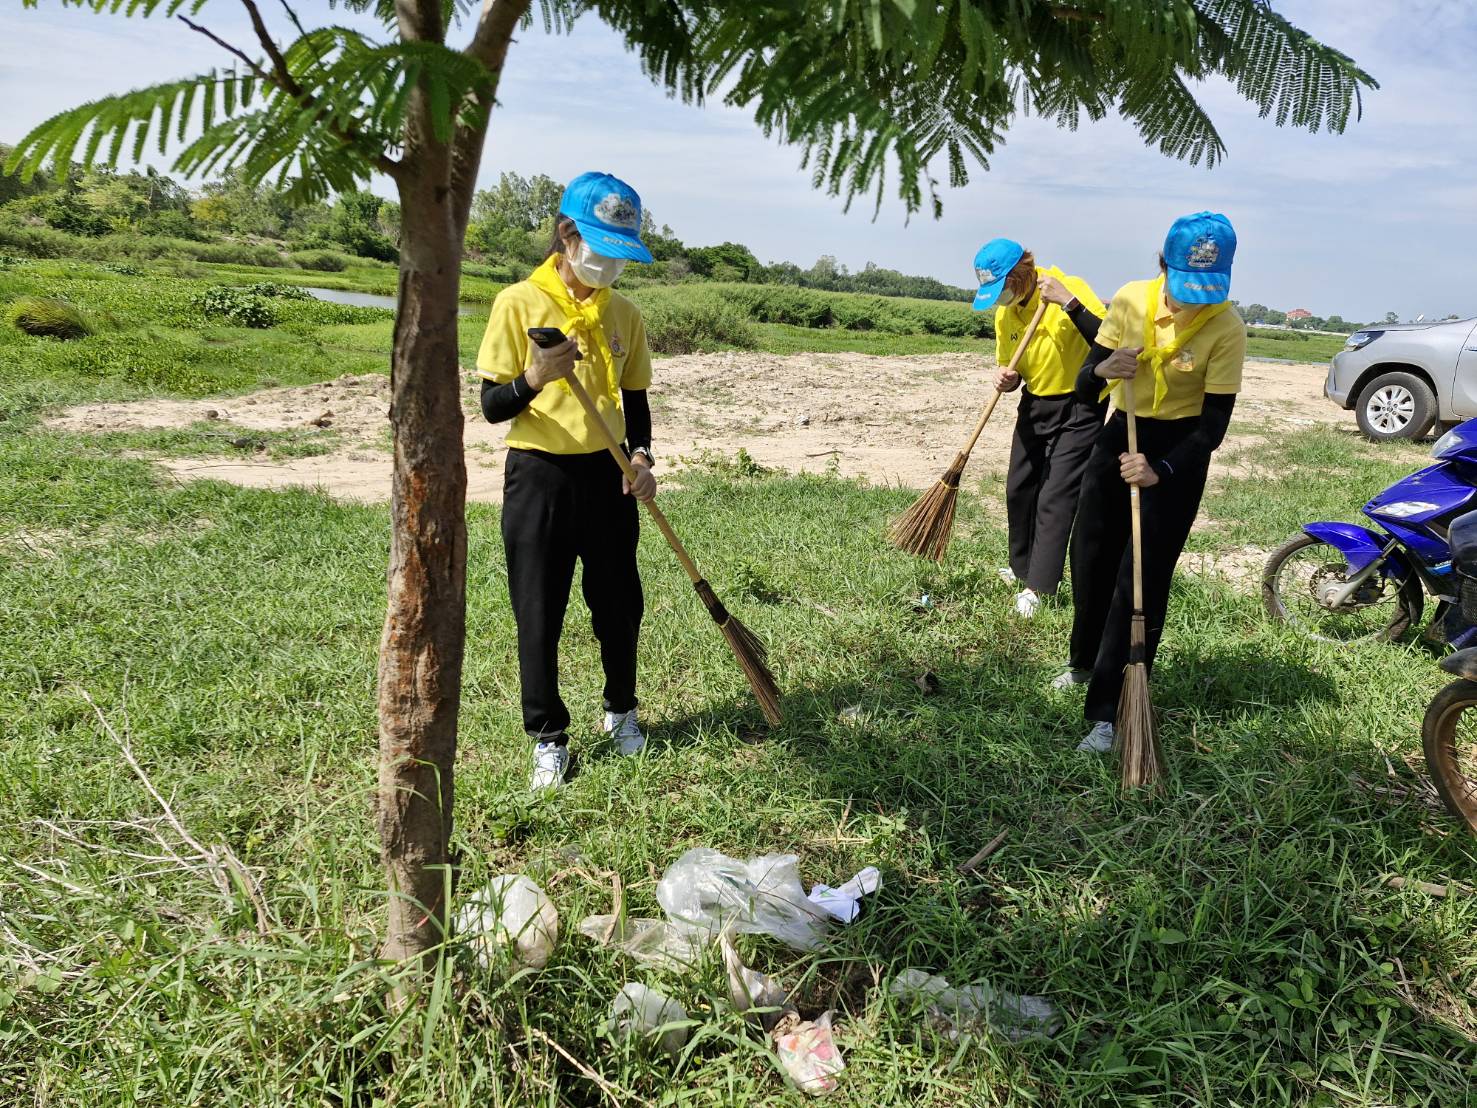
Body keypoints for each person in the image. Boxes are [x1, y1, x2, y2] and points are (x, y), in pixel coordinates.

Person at [476, 171, 657, 791]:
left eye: (621, 255)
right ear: (567, 233)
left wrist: (643, 460)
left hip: (609, 477)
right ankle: (548, 738)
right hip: (540, 475)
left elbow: (635, 401)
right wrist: (535, 378)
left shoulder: (625, 314)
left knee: (619, 605)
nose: (609, 265)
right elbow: (493, 405)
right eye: (601, 250)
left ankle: (621, 713)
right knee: (539, 610)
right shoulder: (518, 304)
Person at [1058, 212, 1245, 752]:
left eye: (1206, 290)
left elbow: (1213, 427)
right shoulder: (1130, 301)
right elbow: (1081, 388)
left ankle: (1109, 711)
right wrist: (1104, 369)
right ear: (1163, 265)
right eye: (1185, 286)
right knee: (1090, 555)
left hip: (1177, 453)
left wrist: (1161, 470)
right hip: (1122, 433)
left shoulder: (1226, 326)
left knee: (1139, 578)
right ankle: (1082, 662)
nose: (1193, 302)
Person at [971, 239, 1106, 618]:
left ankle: (1039, 586)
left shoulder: (1067, 288)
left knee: (1056, 496)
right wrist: (1007, 379)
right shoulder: (1007, 314)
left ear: (1020, 274)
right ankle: (1020, 568)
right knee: (1019, 487)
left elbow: (1108, 342)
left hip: (1081, 405)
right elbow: (1013, 367)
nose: (1000, 299)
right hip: (1036, 402)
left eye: (1002, 288)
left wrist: (1069, 302)